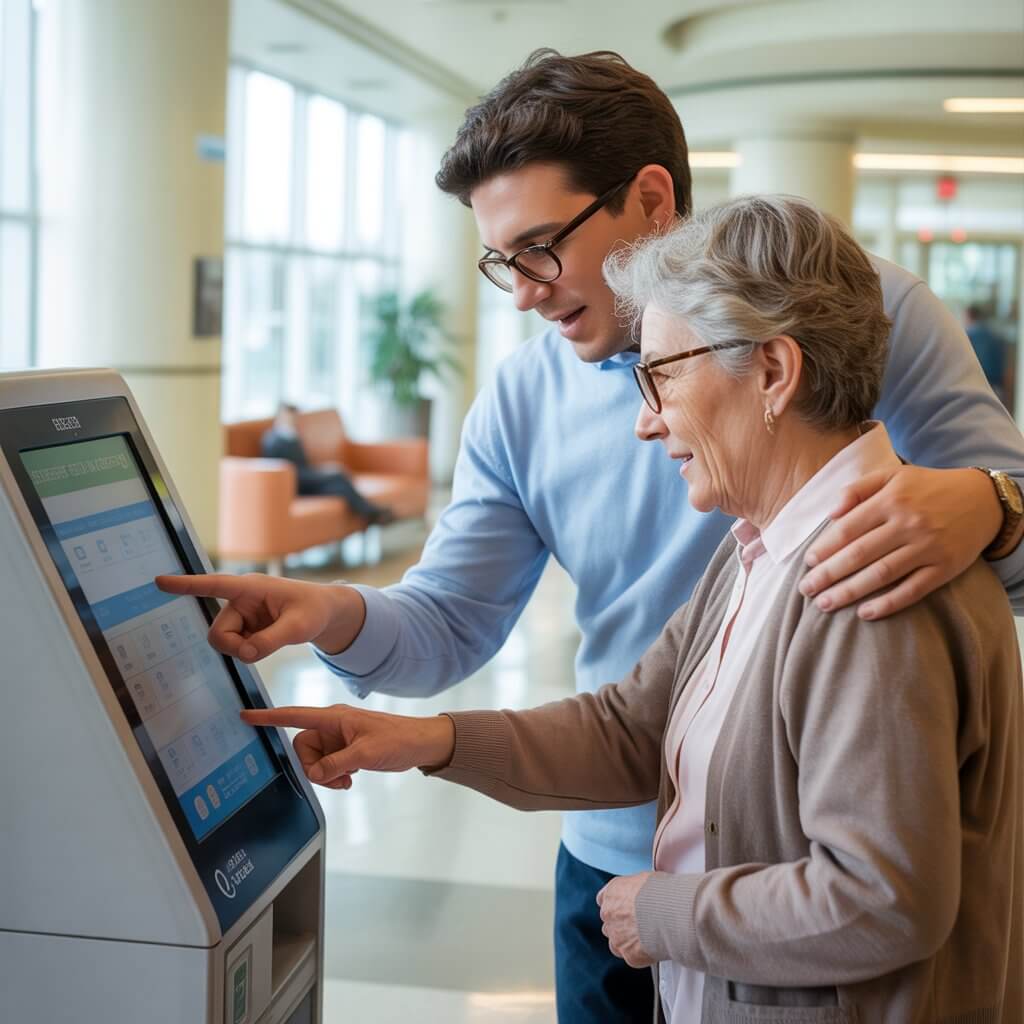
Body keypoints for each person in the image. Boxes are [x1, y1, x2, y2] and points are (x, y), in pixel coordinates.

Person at [158, 51, 1024, 1023]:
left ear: (650, 198)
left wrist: (991, 504)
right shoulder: (618, 464)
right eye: (502, 261)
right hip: (618, 857)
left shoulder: (851, 320)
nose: (523, 293)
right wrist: (339, 624)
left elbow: (880, 895)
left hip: (792, 877)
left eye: (539, 248)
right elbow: (581, 696)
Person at [260, 402, 394, 525]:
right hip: (298, 485)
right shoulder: (273, 440)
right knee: (338, 476)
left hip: (308, 481)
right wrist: (323, 474)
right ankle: (373, 512)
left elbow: (304, 465)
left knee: (341, 488)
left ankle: (372, 514)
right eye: (289, 416)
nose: (292, 420)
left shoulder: (292, 436)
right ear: (280, 416)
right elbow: (288, 472)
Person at [964, 304, 1011, 406]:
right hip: (996, 386)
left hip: (977, 386)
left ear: (969, 316)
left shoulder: (968, 336)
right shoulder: (994, 335)